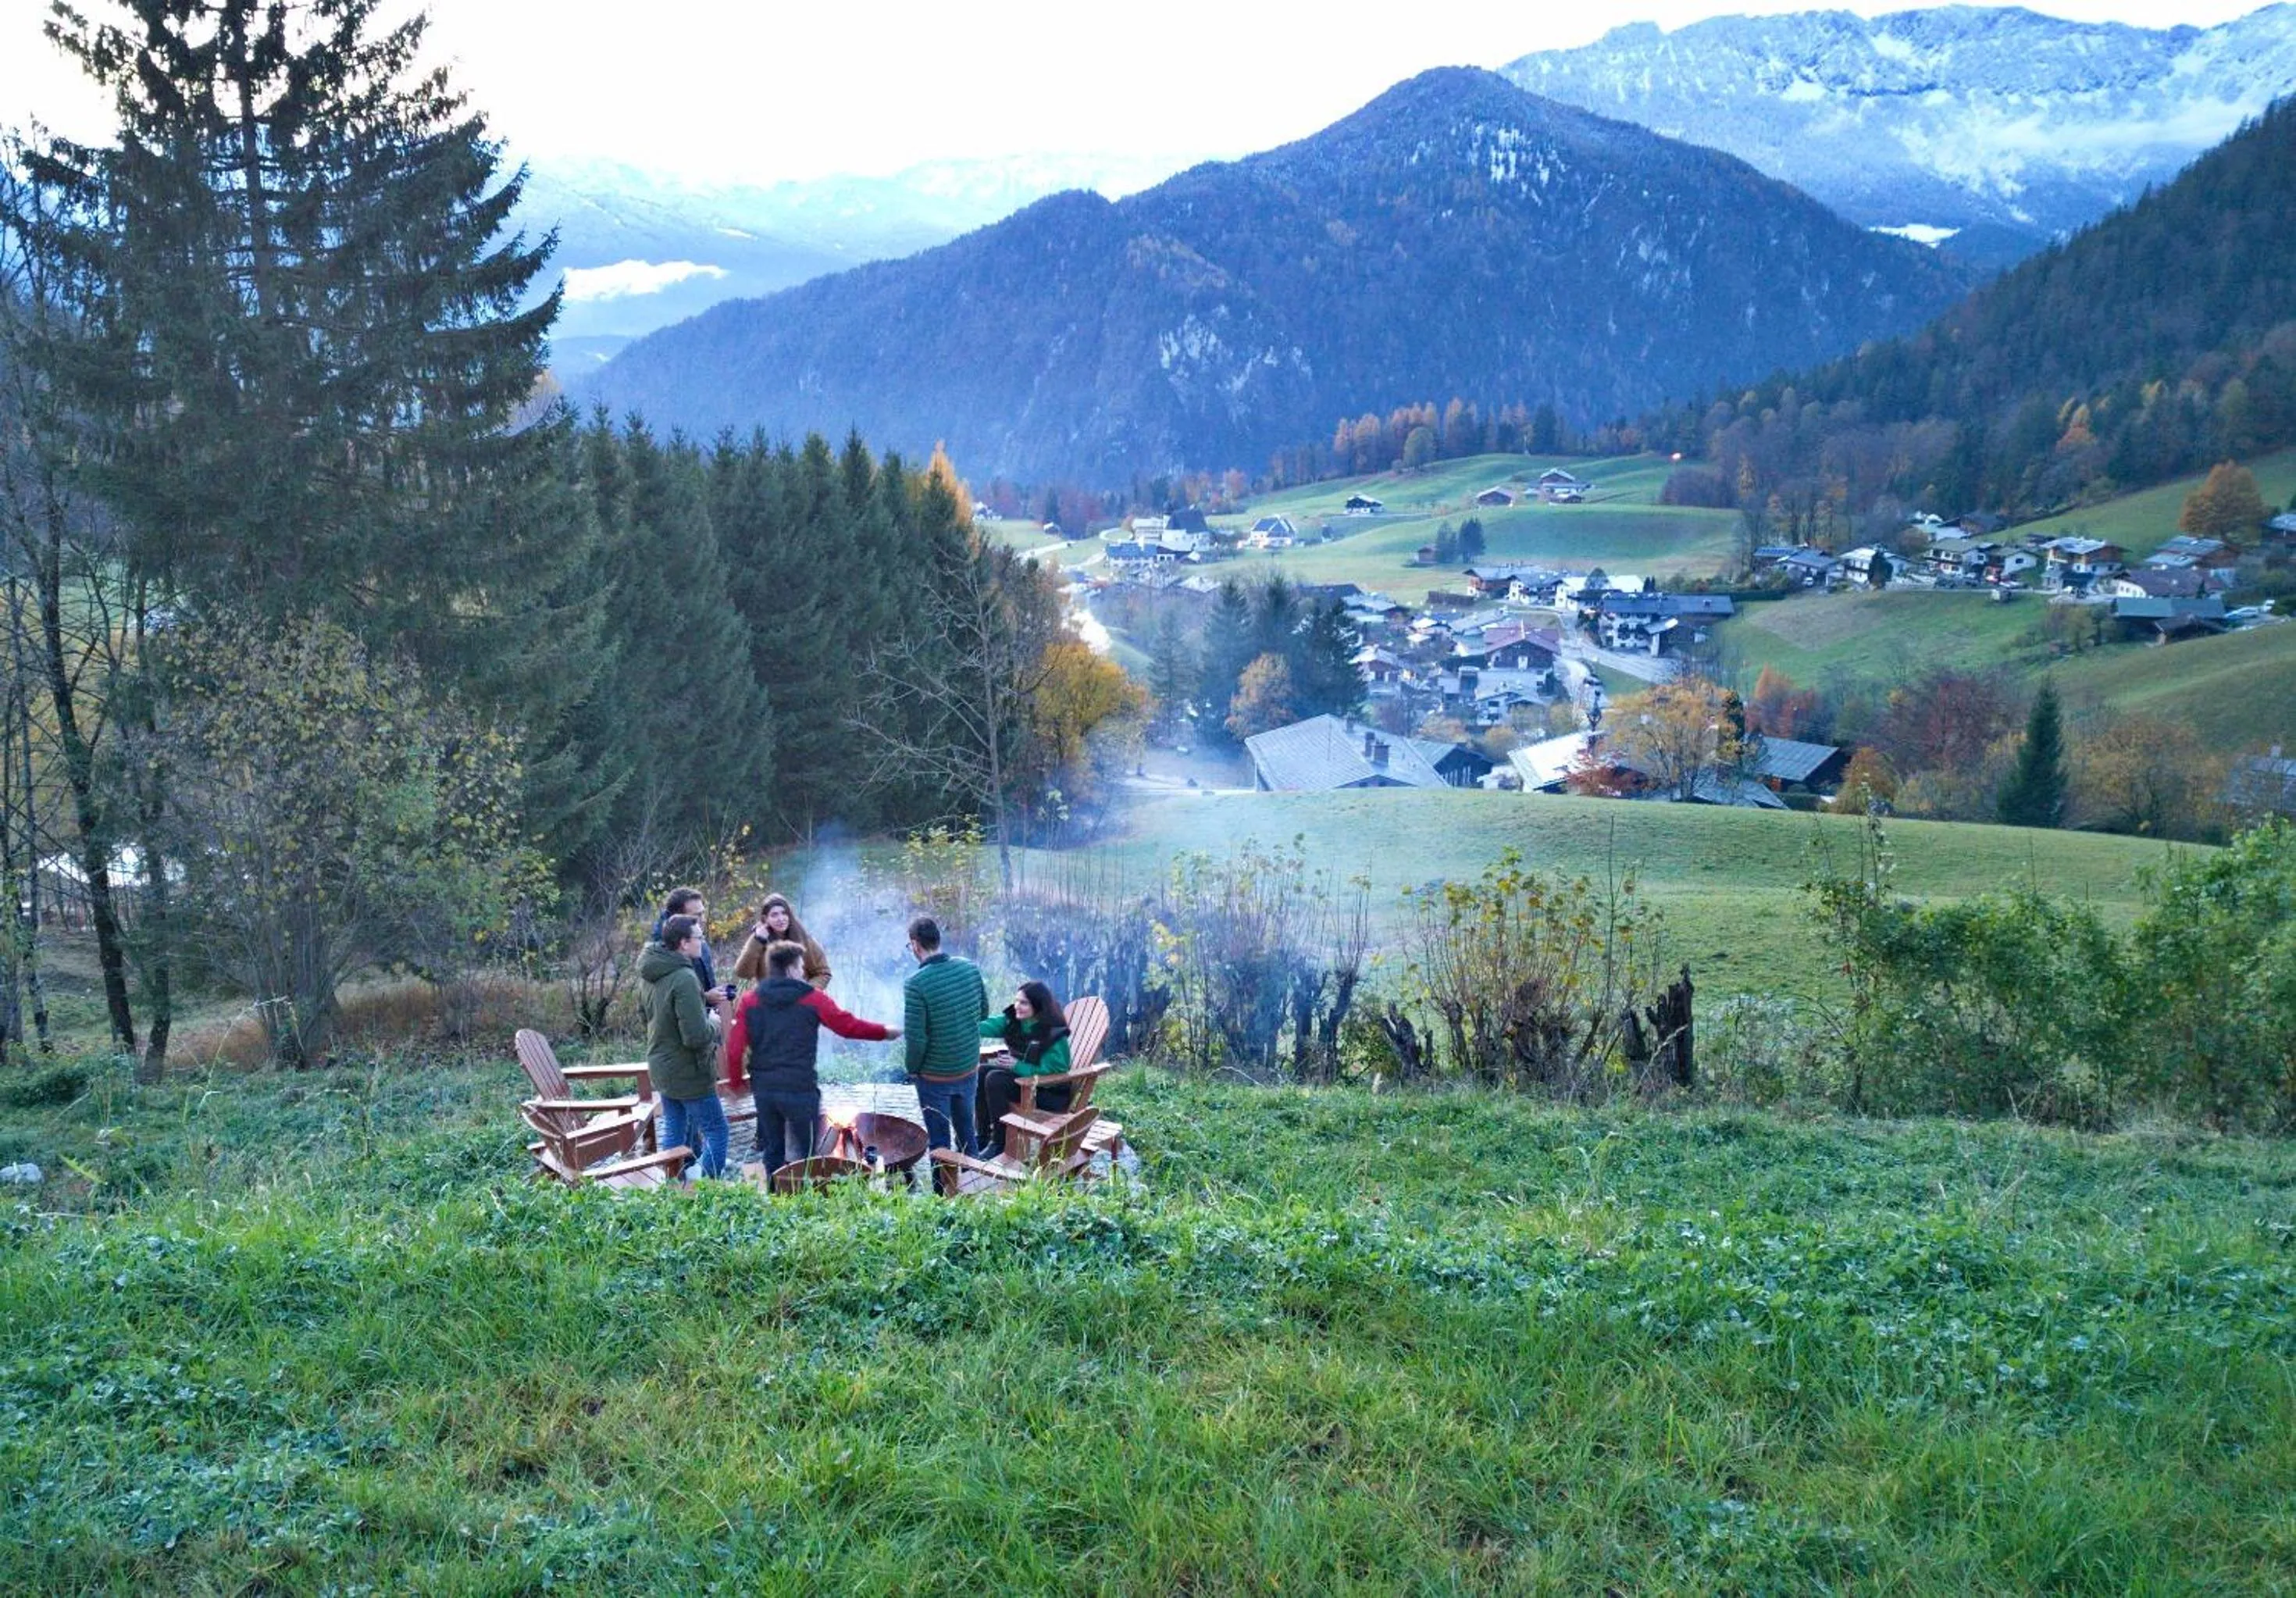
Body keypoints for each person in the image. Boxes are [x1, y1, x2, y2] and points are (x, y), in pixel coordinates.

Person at [722, 940, 899, 1172]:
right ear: (790, 969)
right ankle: (806, 1188)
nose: (803, 971)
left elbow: (734, 1048)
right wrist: (883, 1032)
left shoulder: (750, 1000)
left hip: (766, 1089)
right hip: (801, 1088)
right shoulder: (812, 998)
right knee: (807, 1153)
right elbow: (847, 1026)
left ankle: (775, 1188)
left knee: (773, 1150)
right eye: (800, 966)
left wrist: (736, 1085)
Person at [639, 914, 729, 1179]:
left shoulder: (650, 972)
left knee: (674, 1128)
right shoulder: (684, 978)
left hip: (662, 1065)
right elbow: (696, 1036)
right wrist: (714, 1023)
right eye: (699, 937)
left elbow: (645, 1016)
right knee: (717, 1131)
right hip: (688, 1070)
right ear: (683, 943)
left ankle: (674, 1187)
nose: (703, 942)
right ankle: (706, 1189)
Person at [900, 915, 988, 1155]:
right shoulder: (970, 968)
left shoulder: (916, 984)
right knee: (967, 1133)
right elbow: (983, 1012)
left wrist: (913, 1069)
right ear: (938, 939)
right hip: (968, 1068)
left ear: (915, 944)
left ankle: (941, 1182)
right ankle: (973, 1176)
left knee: (939, 1142)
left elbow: (916, 1039)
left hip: (935, 1077)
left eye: (910, 945)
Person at [975, 980, 1073, 1155]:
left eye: (1024, 1003)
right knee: (982, 1071)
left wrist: (1017, 1065)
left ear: (1038, 1005)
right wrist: (961, 1025)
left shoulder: (1054, 1034)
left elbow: (1057, 1073)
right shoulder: (1015, 1021)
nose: (1017, 1006)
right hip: (1024, 1083)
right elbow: (987, 1026)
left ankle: (1000, 1143)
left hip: (1048, 1093)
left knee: (995, 1079)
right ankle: (982, 1137)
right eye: (1016, 1001)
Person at [651, 886, 729, 1012]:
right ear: (678, 918)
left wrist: (717, 996)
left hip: (704, 1017)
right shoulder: (661, 953)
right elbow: (667, 999)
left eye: (703, 913)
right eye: (697, 915)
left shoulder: (695, 935)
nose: (703, 920)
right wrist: (705, 998)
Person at [731, 893, 831, 989]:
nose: (781, 919)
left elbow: (823, 973)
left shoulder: (803, 939)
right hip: (767, 997)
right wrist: (758, 940)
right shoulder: (758, 940)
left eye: (784, 913)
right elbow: (743, 973)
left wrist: (806, 992)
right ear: (765, 918)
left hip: (799, 997)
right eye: (774, 915)